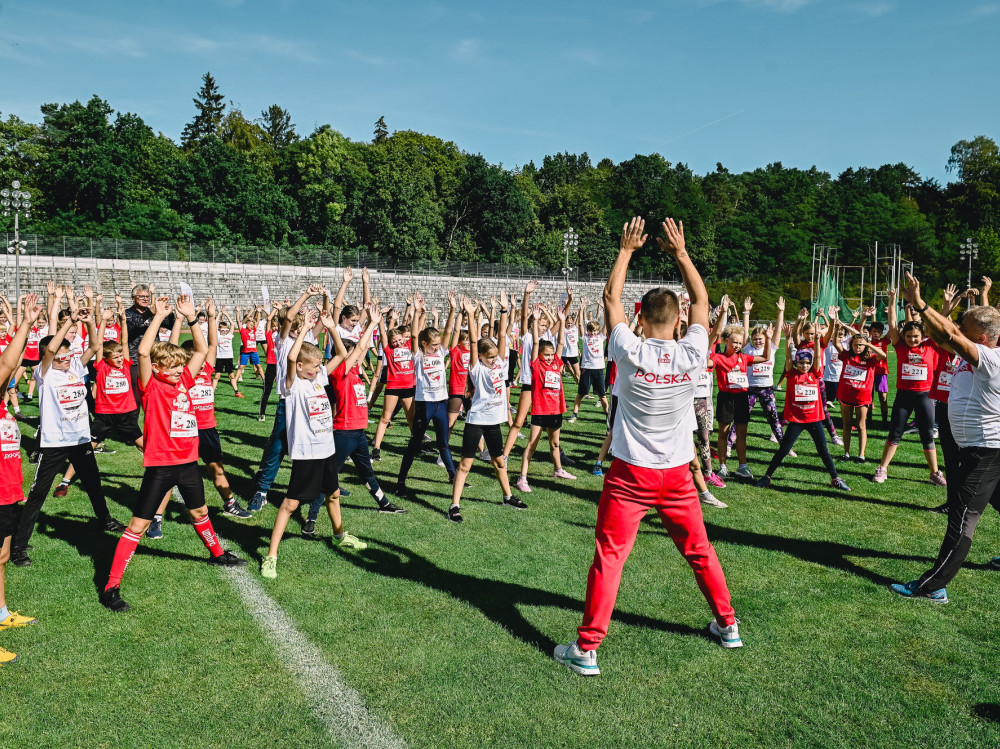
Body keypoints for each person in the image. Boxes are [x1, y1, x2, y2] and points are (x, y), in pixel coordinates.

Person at [553, 217, 741, 678]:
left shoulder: (627, 348)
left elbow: (609, 298)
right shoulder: (694, 350)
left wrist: (625, 250)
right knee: (700, 550)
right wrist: (680, 252)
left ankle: (588, 648)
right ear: (678, 321)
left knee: (610, 556)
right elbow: (701, 299)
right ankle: (728, 625)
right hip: (677, 473)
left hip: (631, 472)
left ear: (641, 318)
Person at [100, 295, 246, 613]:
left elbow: (204, 350)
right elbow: (142, 351)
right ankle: (111, 586)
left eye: (182, 366)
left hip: (187, 464)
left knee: (199, 514)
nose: (181, 371)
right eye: (174, 367)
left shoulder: (184, 381)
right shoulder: (150, 385)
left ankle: (218, 554)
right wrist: (160, 317)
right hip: (161, 466)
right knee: (137, 526)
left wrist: (192, 319)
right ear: (156, 368)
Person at [890, 275, 1000, 603]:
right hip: (981, 448)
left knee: (962, 516)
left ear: (979, 337)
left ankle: (932, 586)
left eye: (963, 328)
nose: (955, 330)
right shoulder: (979, 348)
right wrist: (918, 307)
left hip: (984, 451)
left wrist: (922, 303)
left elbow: (949, 333)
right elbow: (946, 332)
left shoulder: (990, 360)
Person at [11, 304, 127, 568]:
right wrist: (70, 320)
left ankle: (105, 520)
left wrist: (88, 323)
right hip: (54, 444)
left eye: (67, 355)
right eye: (61, 356)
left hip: (80, 439)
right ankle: (19, 546)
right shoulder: (45, 373)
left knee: (94, 484)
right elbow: (51, 349)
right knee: (38, 493)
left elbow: (95, 347)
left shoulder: (74, 366)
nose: (66, 359)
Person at [260, 313, 368, 579]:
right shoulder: (293, 385)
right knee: (290, 505)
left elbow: (342, 355)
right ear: (299, 367)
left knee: (333, 495)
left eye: (320, 365)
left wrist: (331, 329)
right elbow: (290, 359)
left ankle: (339, 535)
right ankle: (271, 555)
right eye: (314, 366)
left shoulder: (318, 379)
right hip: (306, 454)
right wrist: (307, 327)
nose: (319, 369)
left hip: (326, 450)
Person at [303, 304, 406, 529]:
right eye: (352, 356)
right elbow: (359, 347)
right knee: (329, 479)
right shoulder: (340, 373)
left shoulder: (356, 375)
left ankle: (384, 503)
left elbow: (360, 348)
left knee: (366, 472)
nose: (358, 358)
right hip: (344, 432)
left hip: (358, 432)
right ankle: (311, 517)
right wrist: (369, 324)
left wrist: (373, 324)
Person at [245, 285, 327, 512]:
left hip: (308, 399)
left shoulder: (308, 338)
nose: (297, 329)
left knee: (310, 444)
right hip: (288, 399)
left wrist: (325, 301)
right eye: (294, 327)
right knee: (279, 447)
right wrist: (307, 295)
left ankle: (321, 486)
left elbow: (325, 322)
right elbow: (290, 317)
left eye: (300, 327)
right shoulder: (283, 340)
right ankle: (262, 490)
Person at [448, 294, 525, 522]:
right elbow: (473, 342)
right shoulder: (476, 368)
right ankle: (454, 505)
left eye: (494, 357)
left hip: (494, 422)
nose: (493, 360)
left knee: (499, 461)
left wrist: (503, 310)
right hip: (476, 420)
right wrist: (471, 316)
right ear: (479, 356)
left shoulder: (500, 361)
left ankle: (508, 496)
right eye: (489, 357)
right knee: (465, 464)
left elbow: (501, 334)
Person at [754, 323, 851, 491]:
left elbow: (818, 359)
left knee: (823, 450)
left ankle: (835, 478)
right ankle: (767, 476)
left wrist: (819, 339)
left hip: (814, 419)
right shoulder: (792, 375)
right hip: (797, 420)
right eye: (801, 363)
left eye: (807, 363)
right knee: (783, 449)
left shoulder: (815, 373)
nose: (804, 366)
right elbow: (789, 357)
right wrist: (788, 338)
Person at [0, 294, 43, 664]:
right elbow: (8, 363)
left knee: (0, 555)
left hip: (7, 491)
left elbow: (11, 368)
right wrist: (26, 324)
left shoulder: (3, 406)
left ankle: (1, 613)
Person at [872, 289, 946, 486]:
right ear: (904, 337)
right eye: (909, 336)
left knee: (927, 436)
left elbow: (938, 324)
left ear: (922, 335)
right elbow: (893, 325)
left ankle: (935, 473)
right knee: (895, 433)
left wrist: (945, 306)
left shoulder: (930, 346)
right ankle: (882, 468)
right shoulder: (900, 346)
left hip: (925, 397)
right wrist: (891, 300)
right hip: (904, 397)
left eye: (916, 336)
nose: (912, 339)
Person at [394, 294, 458, 492]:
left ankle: (453, 477)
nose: (437, 347)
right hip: (425, 404)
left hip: (441, 404)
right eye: (433, 344)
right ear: (424, 344)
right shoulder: (418, 355)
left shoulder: (440, 353)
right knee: (414, 444)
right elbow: (414, 335)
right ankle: (401, 481)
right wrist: (414, 311)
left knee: (444, 443)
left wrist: (453, 309)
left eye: (438, 344)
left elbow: (448, 330)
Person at [517, 305, 574, 492]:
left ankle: (558, 470)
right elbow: (534, 343)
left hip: (555, 410)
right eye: (546, 356)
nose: (549, 358)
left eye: (551, 356)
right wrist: (534, 322)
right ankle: (522, 478)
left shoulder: (556, 363)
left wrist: (562, 321)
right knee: (532, 444)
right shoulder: (536, 366)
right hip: (540, 411)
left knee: (555, 443)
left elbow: (560, 344)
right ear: (540, 356)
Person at [708, 316, 771, 480]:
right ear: (726, 340)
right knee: (723, 433)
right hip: (726, 398)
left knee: (742, 433)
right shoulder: (719, 358)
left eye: (739, 343)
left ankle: (742, 466)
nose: (736, 346)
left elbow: (765, 358)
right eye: (734, 342)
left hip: (742, 397)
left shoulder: (744, 357)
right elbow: (708, 363)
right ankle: (722, 467)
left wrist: (769, 339)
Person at [832, 320, 885, 462]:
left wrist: (868, 344)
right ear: (851, 345)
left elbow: (883, 355)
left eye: (860, 345)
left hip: (863, 396)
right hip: (845, 394)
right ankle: (847, 453)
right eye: (855, 345)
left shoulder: (871, 359)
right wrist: (837, 329)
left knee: (861, 425)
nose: (858, 347)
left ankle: (861, 455)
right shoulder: (846, 355)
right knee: (846, 424)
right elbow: (836, 343)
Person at [124, 283, 175, 408]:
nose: (145, 299)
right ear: (133, 298)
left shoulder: (154, 312)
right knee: (135, 398)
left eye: (147, 296)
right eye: (141, 296)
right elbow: (132, 326)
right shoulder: (127, 313)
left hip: (155, 360)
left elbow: (170, 325)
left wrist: (169, 313)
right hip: (135, 360)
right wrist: (150, 312)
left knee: (155, 396)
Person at [569, 302, 609, 422]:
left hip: (598, 369)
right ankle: (574, 414)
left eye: (595, 331)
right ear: (588, 331)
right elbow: (581, 324)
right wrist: (581, 309)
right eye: (591, 331)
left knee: (602, 395)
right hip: (586, 368)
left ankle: (608, 415)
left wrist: (605, 308)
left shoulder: (601, 338)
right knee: (581, 394)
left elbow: (606, 324)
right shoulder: (585, 338)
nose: (593, 333)